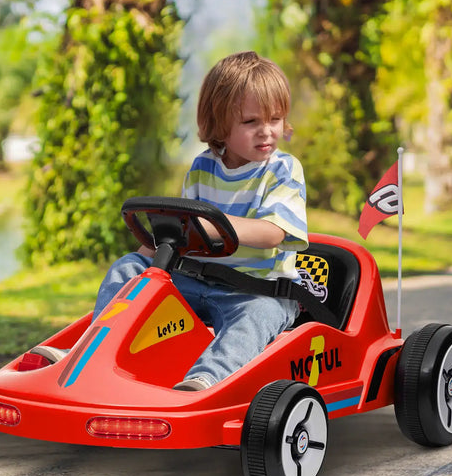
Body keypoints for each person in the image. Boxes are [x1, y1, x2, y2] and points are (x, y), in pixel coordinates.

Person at [93, 50, 308, 390]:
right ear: (220, 125)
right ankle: (95, 353)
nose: (266, 132)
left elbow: (273, 233)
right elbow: (181, 230)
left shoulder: (282, 170)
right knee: (128, 268)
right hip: (195, 281)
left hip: (256, 290)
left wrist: (215, 224)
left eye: (276, 119)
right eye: (251, 122)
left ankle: (204, 379)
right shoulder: (203, 167)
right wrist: (150, 251)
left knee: (257, 317)